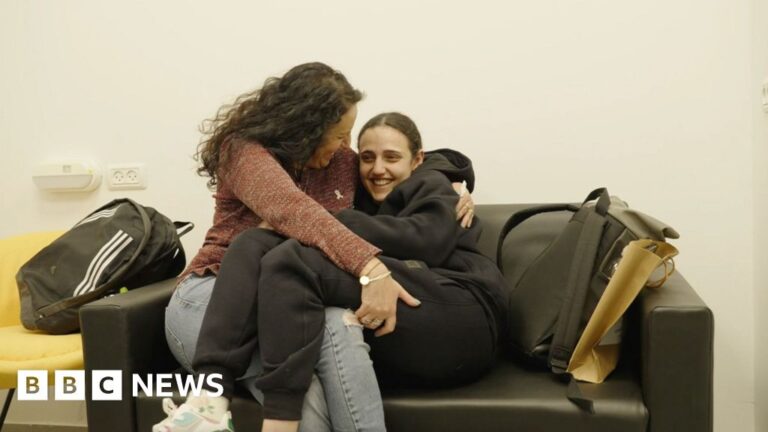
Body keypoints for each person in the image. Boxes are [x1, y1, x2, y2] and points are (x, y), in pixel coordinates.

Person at [153, 63, 474, 432]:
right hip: (214, 295)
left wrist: (448, 179)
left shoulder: (338, 161)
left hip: (287, 296)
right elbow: (294, 211)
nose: (346, 146)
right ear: (306, 130)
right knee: (304, 397)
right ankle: (206, 407)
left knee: (340, 324)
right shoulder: (243, 151)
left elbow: (393, 160)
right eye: (339, 135)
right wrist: (372, 268)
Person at [246, 112, 508, 431]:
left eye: (392, 157)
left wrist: (327, 220)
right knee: (280, 259)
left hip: (464, 308)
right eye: (367, 158)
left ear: (417, 160)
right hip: (421, 319)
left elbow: (427, 242)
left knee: (294, 260)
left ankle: (272, 417)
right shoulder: (362, 192)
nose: (378, 168)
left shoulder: (431, 183)